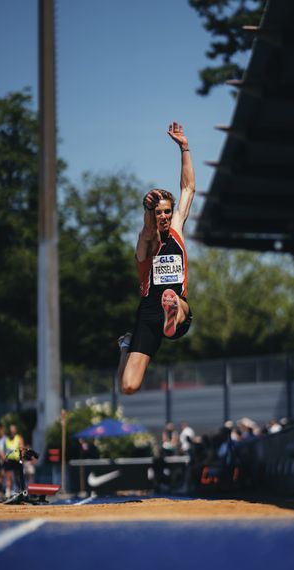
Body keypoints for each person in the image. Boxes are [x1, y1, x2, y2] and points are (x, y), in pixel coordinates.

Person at [118, 122, 195, 394]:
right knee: (128, 386)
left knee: (177, 300)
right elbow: (149, 231)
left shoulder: (176, 231)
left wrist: (184, 148)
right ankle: (127, 346)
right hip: (149, 314)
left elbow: (188, 189)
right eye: (158, 212)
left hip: (176, 305)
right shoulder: (145, 242)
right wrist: (147, 208)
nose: (163, 216)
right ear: (151, 214)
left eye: (166, 211)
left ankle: (173, 312)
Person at [3, 423, 24, 498]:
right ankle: (8, 493)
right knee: (8, 477)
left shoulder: (18, 438)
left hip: (17, 460)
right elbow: (4, 449)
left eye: (13, 430)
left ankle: (19, 491)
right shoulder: (7, 439)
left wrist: (22, 458)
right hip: (9, 460)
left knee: (17, 477)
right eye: (11, 430)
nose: (12, 431)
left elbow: (22, 448)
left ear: (15, 430)